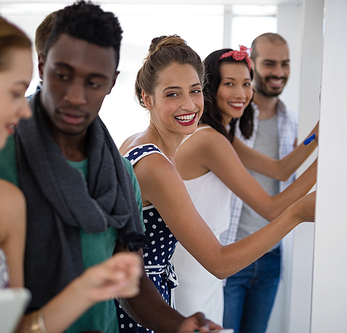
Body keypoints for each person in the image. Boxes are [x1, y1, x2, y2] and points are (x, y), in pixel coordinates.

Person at [0, 3, 220, 333]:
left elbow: (131, 279)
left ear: (112, 83)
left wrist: (179, 325)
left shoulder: (118, 172)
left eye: (94, 82)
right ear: (43, 66)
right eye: (63, 76)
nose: (76, 96)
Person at [0, 9, 143, 333]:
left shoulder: (1, 200)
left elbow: (15, 329)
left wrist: (86, 288)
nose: (25, 109)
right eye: (14, 91)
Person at [118, 35, 316, 330]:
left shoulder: (135, 143)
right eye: (172, 94)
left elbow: (280, 169)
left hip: (147, 295)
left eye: (194, 91)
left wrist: (324, 132)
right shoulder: (160, 165)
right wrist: (297, 214)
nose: (188, 104)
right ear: (147, 98)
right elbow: (219, 262)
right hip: (146, 302)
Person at [170, 44, 318, 323]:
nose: (241, 94)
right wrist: (330, 159)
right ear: (209, 87)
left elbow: (280, 169)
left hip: (200, 262)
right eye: (229, 84)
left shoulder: (221, 135)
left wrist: (320, 135)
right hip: (196, 264)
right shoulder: (211, 141)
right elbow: (271, 209)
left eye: (246, 84)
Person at [221, 33, 299, 333]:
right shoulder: (232, 118)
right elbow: (280, 171)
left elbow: (285, 172)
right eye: (269, 63)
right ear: (251, 65)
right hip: (231, 253)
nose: (278, 72)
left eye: (285, 64)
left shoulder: (290, 121)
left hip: (270, 257)